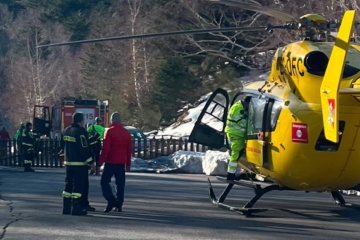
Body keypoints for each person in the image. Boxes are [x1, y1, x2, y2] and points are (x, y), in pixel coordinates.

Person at [61, 113, 94, 215]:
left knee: (68, 186)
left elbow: (62, 147)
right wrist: (91, 162)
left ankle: (66, 208)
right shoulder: (80, 132)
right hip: (79, 164)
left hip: (68, 163)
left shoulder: (66, 130)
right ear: (81, 120)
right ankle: (76, 209)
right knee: (78, 187)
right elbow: (83, 148)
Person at [99, 112, 132, 213]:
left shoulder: (109, 132)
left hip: (110, 162)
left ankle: (111, 200)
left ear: (111, 121)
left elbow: (106, 149)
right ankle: (119, 204)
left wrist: (100, 162)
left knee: (104, 182)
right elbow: (129, 150)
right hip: (121, 162)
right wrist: (128, 164)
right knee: (120, 184)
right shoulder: (126, 133)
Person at [225, 98, 250, 181]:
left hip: (235, 134)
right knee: (236, 154)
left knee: (238, 153)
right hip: (236, 135)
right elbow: (242, 123)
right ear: (246, 103)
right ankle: (230, 174)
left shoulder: (237, 106)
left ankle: (241, 172)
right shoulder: (239, 109)